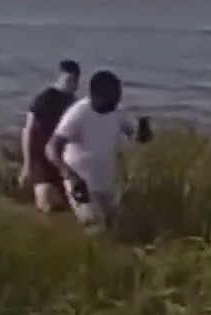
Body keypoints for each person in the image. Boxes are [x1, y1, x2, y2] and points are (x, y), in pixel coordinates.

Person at [45, 70, 152, 231]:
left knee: (116, 228)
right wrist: (70, 176)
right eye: (113, 96)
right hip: (81, 185)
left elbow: (136, 137)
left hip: (106, 184)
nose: (117, 100)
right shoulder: (78, 113)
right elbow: (52, 148)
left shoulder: (116, 111)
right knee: (97, 230)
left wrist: (144, 132)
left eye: (118, 95)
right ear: (96, 95)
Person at [20, 59, 81, 212]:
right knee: (48, 205)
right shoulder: (44, 99)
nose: (72, 84)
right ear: (60, 78)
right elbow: (28, 130)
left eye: (75, 80)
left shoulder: (74, 102)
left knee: (67, 205)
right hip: (42, 160)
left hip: (63, 161)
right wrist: (28, 165)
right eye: (69, 80)